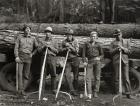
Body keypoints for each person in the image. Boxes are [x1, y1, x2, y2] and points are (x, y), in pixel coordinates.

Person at [110, 29, 135, 99]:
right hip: (116, 62)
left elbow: (130, 51)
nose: (118, 36)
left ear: (121, 34)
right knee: (117, 78)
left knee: (126, 78)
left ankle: (128, 94)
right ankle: (118, 93)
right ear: (115, 36)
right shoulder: (113, 43)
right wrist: (116, 49)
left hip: (125, 61)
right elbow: (110, 52)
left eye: (119, 35)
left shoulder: (126, 41)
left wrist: (123, 48)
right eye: (116, 35)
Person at [14, 25, 38, 95]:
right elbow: (16, 47)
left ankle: (23, 90)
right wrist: (16, 56)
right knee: (19, 74)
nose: (28, 30)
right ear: (24, 30)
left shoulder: (33, 38)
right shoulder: (19, 37)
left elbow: (37, 47)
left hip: (28, 57)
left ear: (30, 31)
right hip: (20, 56)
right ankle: (19, 90)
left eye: (29, 29)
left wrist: (32, 54)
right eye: (26, 29)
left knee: (26, 75)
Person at [82, 31, 104, 100]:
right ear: (90, 37)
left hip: (97, 62)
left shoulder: (99, 45)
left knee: (97, 77)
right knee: (88, 78)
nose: (93, 38)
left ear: (96, 37)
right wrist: (84, 61)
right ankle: (89, 93)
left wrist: (99, 58)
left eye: (94, 36)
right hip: (89, 62)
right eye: (92, 36)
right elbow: (83, 54)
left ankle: (95, 92)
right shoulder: (86, 44)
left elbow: (102, 54)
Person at [39, 27, 59, 94]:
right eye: (46, 32)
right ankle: (42, 89)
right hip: (43, 57)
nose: (47, 33)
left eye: (49, 32)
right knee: (43, 74)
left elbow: (57, 51)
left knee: (53, 74)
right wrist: (44, 47)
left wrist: (50, 47)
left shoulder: (55, 41)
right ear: (45, 33)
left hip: (52, 58)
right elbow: (39, 50)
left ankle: (54, 89)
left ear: (51, 33)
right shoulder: (42, 40)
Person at [60, 29, 80, 96]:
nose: (69, 36)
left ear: (72, 35)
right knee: (67, 75)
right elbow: (60, 50)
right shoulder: (64, 41)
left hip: (75, 59)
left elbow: (76, 51)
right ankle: (72, 90)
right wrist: (65, 48)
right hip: (68, 60)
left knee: (76, 76)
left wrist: (70, 47)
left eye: (70, 35)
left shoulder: (76, 41)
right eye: (67, 35)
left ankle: (76, 89)